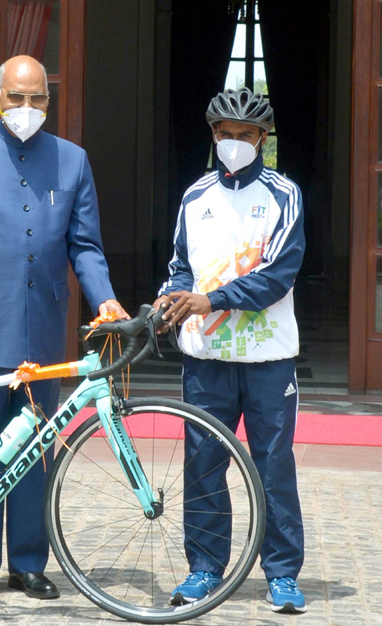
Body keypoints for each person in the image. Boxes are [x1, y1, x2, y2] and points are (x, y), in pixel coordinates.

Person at [0, 55, 128, 603]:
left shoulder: (72, 160)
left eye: (36, 98)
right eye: (15, 98)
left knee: (37, 447)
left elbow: (84, 246)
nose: (26, 108)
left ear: (50, 99)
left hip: (44, 330)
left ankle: (27, 561)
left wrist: (106, 300)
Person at [154, 87, 306, 614]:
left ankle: (282, 574)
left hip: (269, 358)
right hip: (206, 358)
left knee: (273, 466)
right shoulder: (195, 197)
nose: (234, 142)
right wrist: (168, 301)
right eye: (226, 134)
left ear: (262, 139)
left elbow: (277, 276)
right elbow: (180, 267)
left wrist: (209, 298)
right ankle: (204, 568)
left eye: (245, 135)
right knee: (202, 464)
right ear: (212, 135)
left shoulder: (285, 194)